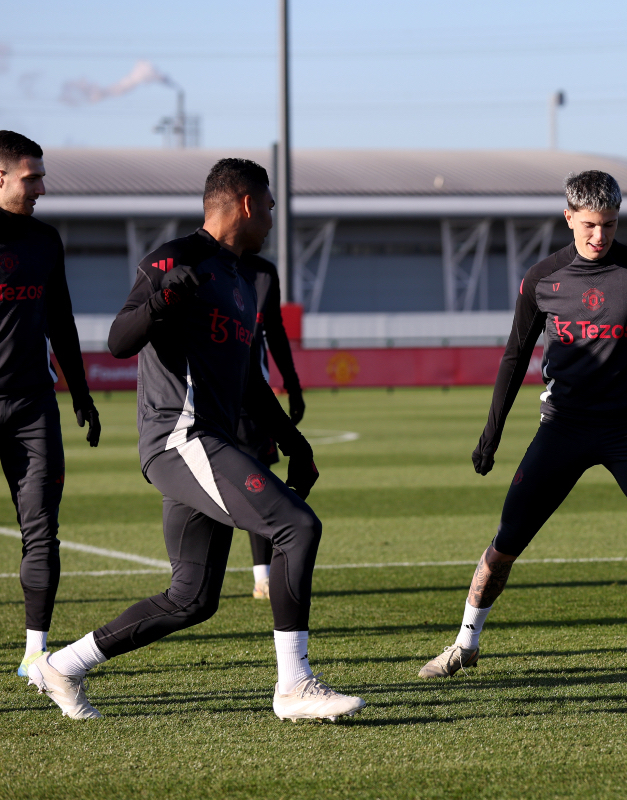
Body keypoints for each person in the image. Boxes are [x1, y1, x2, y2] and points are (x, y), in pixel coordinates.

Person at [26, 158, 363, 721]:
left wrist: (292, 439)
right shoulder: (176, 256)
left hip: (205, 442)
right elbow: (116, 340)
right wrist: (161, 301)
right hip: (179, 437)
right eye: (271, 205)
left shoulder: (237, 278)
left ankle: (61, 666)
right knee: (297, 526)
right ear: (247, 204)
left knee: (192, 598)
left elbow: (248, 381)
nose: (274, 217)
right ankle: (294, 685)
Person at [417, 170, 627, 687]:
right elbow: (514, 357)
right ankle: (465, 644)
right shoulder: (542, 278)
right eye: (588, 225)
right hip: (560, 429)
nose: (598, 236)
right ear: (568, 218)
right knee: (506, 544)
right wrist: (490, 436)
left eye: (608, 224)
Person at [0, 131, 101, 678]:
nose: (42, 186)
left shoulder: (45, 240)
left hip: (32, 406)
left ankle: (35, 653)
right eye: (31, 176)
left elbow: (59, 319)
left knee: (41, 530)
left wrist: (81, 393)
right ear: (0, 178)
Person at [236, 253, 305, 600]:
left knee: (257, 483)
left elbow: (275, 331)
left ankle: (262, 577)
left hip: (254, 402)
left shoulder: (264, 273)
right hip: (208, 399)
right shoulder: (201, 263)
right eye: (265, 208)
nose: (269, 221)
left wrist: (291, 384)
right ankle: (192, 579)